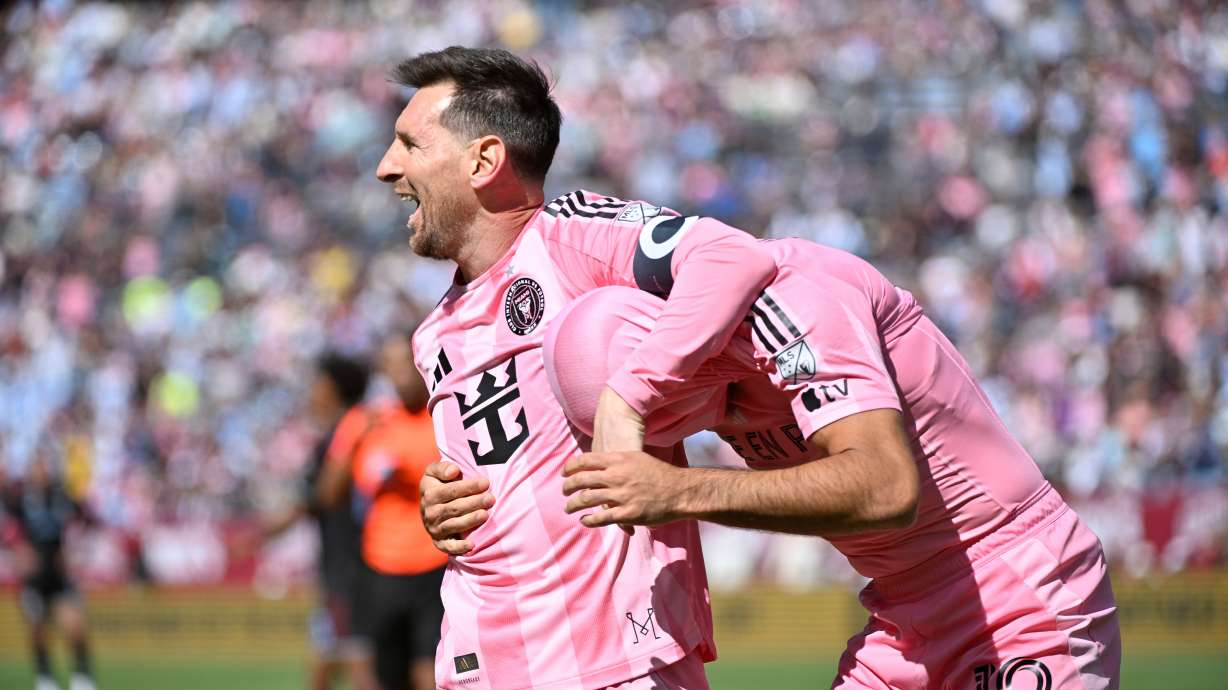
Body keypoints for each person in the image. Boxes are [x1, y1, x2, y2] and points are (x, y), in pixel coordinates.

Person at [431, 245, 1124, 688]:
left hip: (1018, 592)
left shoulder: (796, 298)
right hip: (902, 614)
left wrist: (680, 489)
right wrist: (456, 492)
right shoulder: (704, 361)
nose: (698, 430)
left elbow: (887, 489)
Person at [376, 46, 780, 689]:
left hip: (614, 665)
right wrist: (441, 506)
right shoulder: (435, 333)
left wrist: (627, 399)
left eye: (409, 144)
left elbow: (731, 256)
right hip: (481, 662)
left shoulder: (569, 237)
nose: (385, 167)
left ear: (483, 160)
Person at [317, 335, 447, 690]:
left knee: (430, 673)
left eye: (405, 361)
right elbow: (328, 494)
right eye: (390, 363)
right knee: (384, 677)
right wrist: (358, 440)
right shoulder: (366, 420)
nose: (400, 371)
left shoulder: (442, 414)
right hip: (382, 568)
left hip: (435, 565)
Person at [252, 353, 377, 690]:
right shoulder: (356, 431)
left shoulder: (344, 437)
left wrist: (260, 536)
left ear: (333, 390)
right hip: (353, 567)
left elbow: (318, 499)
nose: (311, 392)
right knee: (328, 660)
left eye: (318, 384)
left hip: (349, 568)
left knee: (357, 661)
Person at [1, 450, 98, 690]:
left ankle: (82, 677)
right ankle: (45, 678)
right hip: (34, 578)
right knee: (38, 630)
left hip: (59, 575)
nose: (41, 471)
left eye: (44, 466)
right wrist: (18, 551)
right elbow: (8, 531)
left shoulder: (61, 495)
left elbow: (86, 520)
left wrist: (75, 553)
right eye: (37, 466)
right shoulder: (20, 498)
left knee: (75, 626)